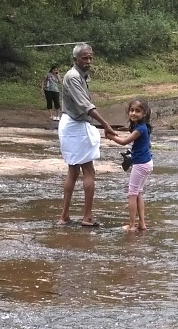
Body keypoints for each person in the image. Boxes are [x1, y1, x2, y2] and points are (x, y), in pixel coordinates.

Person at [58, 43, 116, 227]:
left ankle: (64, 216)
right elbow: (86, 106)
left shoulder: (80, 76)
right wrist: (106, 125)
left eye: (90, 57)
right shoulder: (74, 77)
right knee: (88, 171)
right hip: (75, 126)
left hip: (71, 125)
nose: (88, 61)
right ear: (75, 59)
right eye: (84, 58)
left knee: (73, 171)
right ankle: (87, 217)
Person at [107, 98, 153, 231]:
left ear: (144, 113)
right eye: (131, 110)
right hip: (147, 163)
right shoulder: (143, 127)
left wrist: (111, 137)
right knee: (138, 192)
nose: (133, 113)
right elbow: (148, 144)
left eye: (137, 111)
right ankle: (142, 224)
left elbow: (123, 142)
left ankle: (132, 225)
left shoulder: (140, 129)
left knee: (132, 193)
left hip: (140, 165)